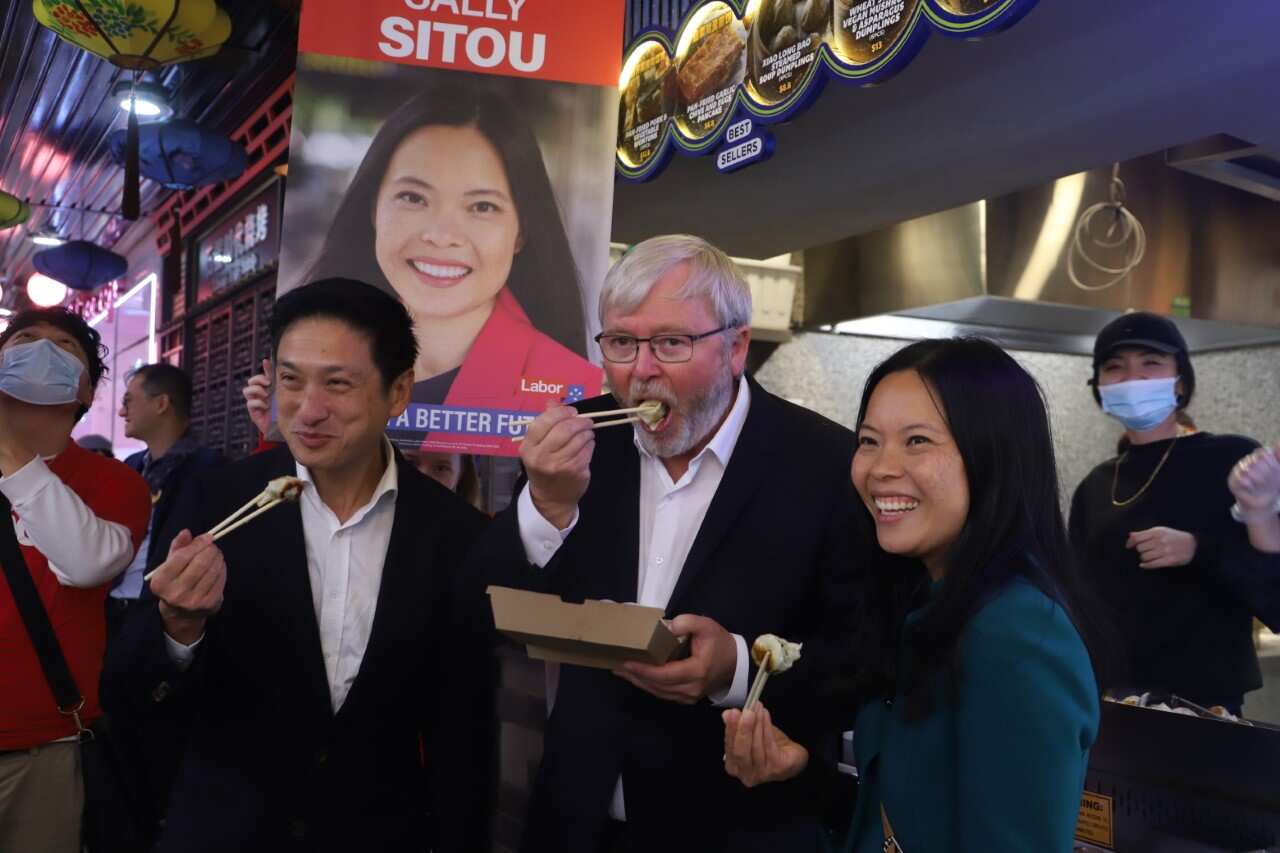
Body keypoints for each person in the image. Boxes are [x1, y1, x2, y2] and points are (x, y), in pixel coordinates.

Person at [474, 234, 862, 852]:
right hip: (576, 819)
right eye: (622, 343)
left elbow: (862, 659)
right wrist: (546, 504)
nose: (641, 371)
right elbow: (489, 603)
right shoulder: (581, 444)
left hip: (736, 826)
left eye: (671, 343)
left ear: (736, 347)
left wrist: (735, 665)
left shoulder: (826, 466)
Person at [101, 279, 494, 853]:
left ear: (399, 390)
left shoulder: (453, 532)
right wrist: (177, 628)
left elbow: (462, 728)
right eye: (291, 379)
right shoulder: (219, 501)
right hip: (224, 831)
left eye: (338, 383)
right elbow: (132, 687)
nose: (308, 412)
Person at [723, 337, 1104, 852]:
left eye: (918, 441)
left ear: (993, 454)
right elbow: (910, 821)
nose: (881, 468)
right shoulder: (929, 603)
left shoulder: (1017, 631)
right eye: (869, 440)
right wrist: (802, 775)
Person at [297, 81, 602, 453]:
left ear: (521, 232)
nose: (442, 236)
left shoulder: (568, 392)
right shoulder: (310, 360)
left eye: (482, 207)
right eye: (413, 197)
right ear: (373, 209)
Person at [1069, 311, 1280, 713]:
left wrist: (1200, 547)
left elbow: (1274, 596)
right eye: (1115, 367)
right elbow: (1077, 601)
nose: (1133, 378)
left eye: (1151, 363)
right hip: (1113, 699)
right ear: (1099, 387)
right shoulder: (1095, 486)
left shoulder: (1230, 459)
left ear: (1180, 381)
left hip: (1205, 704)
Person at [0, 308, 151, 853]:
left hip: (43, 745)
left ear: (87, 388)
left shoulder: (115, 483)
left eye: (63, 345)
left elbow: (86, 563)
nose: (41, 350)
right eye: (24, 340)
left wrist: (10, 447)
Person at [243, 363, 484, 509]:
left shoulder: (480, 537)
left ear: (462, 476)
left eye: (442, 468)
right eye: (410, 462)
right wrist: (278, 434)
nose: (423, 476)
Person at [114, 363, 224, 639]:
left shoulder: (209, 470)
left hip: (163, 614)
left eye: (128, 401)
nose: (121, 411)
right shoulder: (131, 466)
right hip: (111, 607)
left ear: (162, 403)